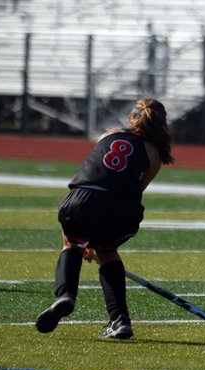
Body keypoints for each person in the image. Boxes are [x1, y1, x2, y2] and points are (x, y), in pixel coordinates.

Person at [35, 98, 174, 339]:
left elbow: (90, 174)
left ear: (132, 118)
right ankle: (120, 320)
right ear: (162, 124)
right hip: (118, 208)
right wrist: (98, 242)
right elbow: (134, 192)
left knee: (71, 242)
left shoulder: (108, 135)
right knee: (107, 252)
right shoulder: (154, 154)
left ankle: (66, 294)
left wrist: (86, 241)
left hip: (80, 199)